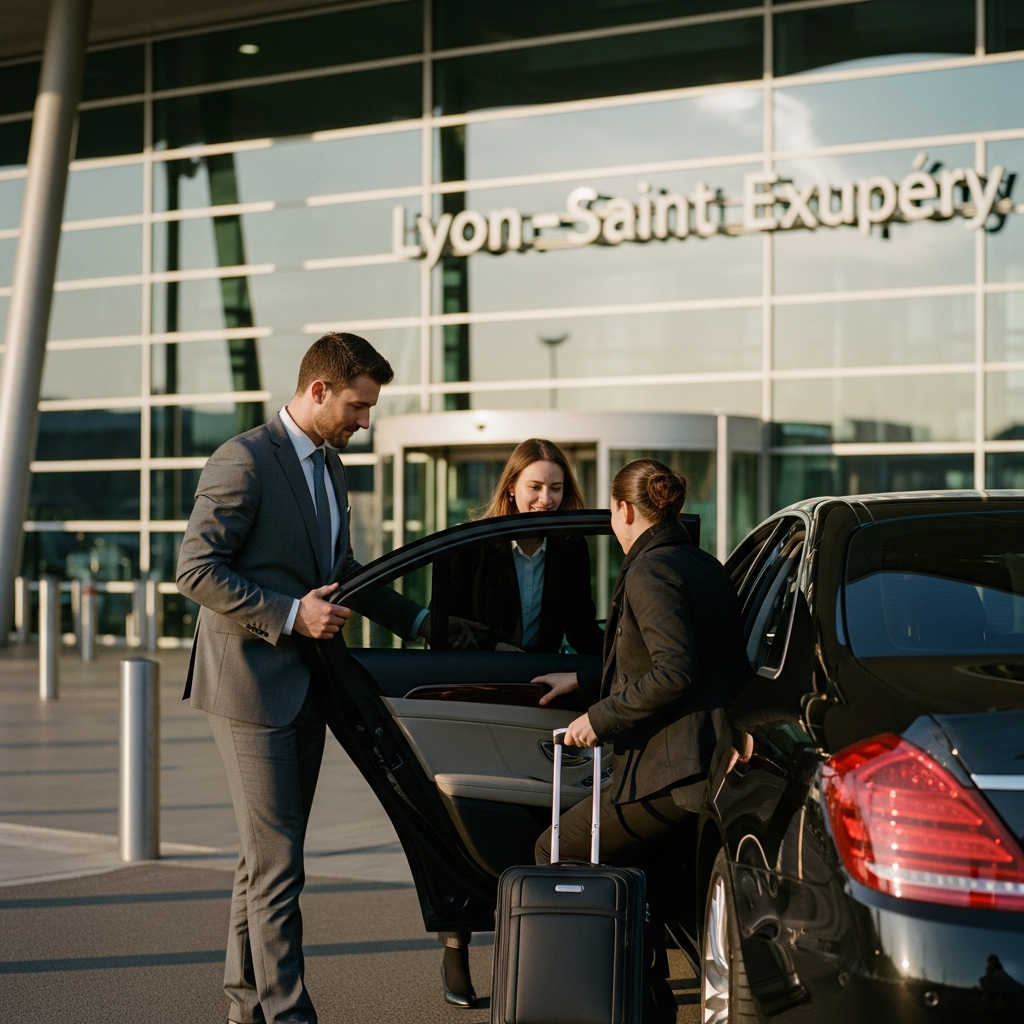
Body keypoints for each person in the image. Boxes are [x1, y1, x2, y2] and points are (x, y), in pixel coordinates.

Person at [177, 333, 467, 1024]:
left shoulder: (329, 467)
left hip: (306, 685)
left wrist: (423, 622)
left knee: (263, 861)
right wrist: (289, 614)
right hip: (250, 686)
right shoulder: (244, 460)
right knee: (278, 864)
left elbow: (343, 572)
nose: (364, 420)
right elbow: (195, 570)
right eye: (357, 406)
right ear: (318, 391)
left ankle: (246, 1005)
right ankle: (289, 1014)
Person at [532, 458, 751, 1024]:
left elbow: (675, 670)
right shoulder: (702, 563)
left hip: (672, 772)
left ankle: (594, 997)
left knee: (557, 848)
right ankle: (647, 1004)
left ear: (624, 509)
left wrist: (599, 718)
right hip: (709, 763)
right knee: (640, 874)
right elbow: (668, 658)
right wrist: (584, 680)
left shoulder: (648, 571)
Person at [438, 438, 604, 1008]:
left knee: (531, 820)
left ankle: (532, 944)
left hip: (540, 692)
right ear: (511, 487)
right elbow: (451, 629)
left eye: (555, 488)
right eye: (535, 486)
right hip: (480, 690)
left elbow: (580, 625)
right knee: (464, 819)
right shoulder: (472, 543)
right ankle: (456, 946)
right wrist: (497, 653)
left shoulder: (570, 546)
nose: (545, 498)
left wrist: (617, 664)